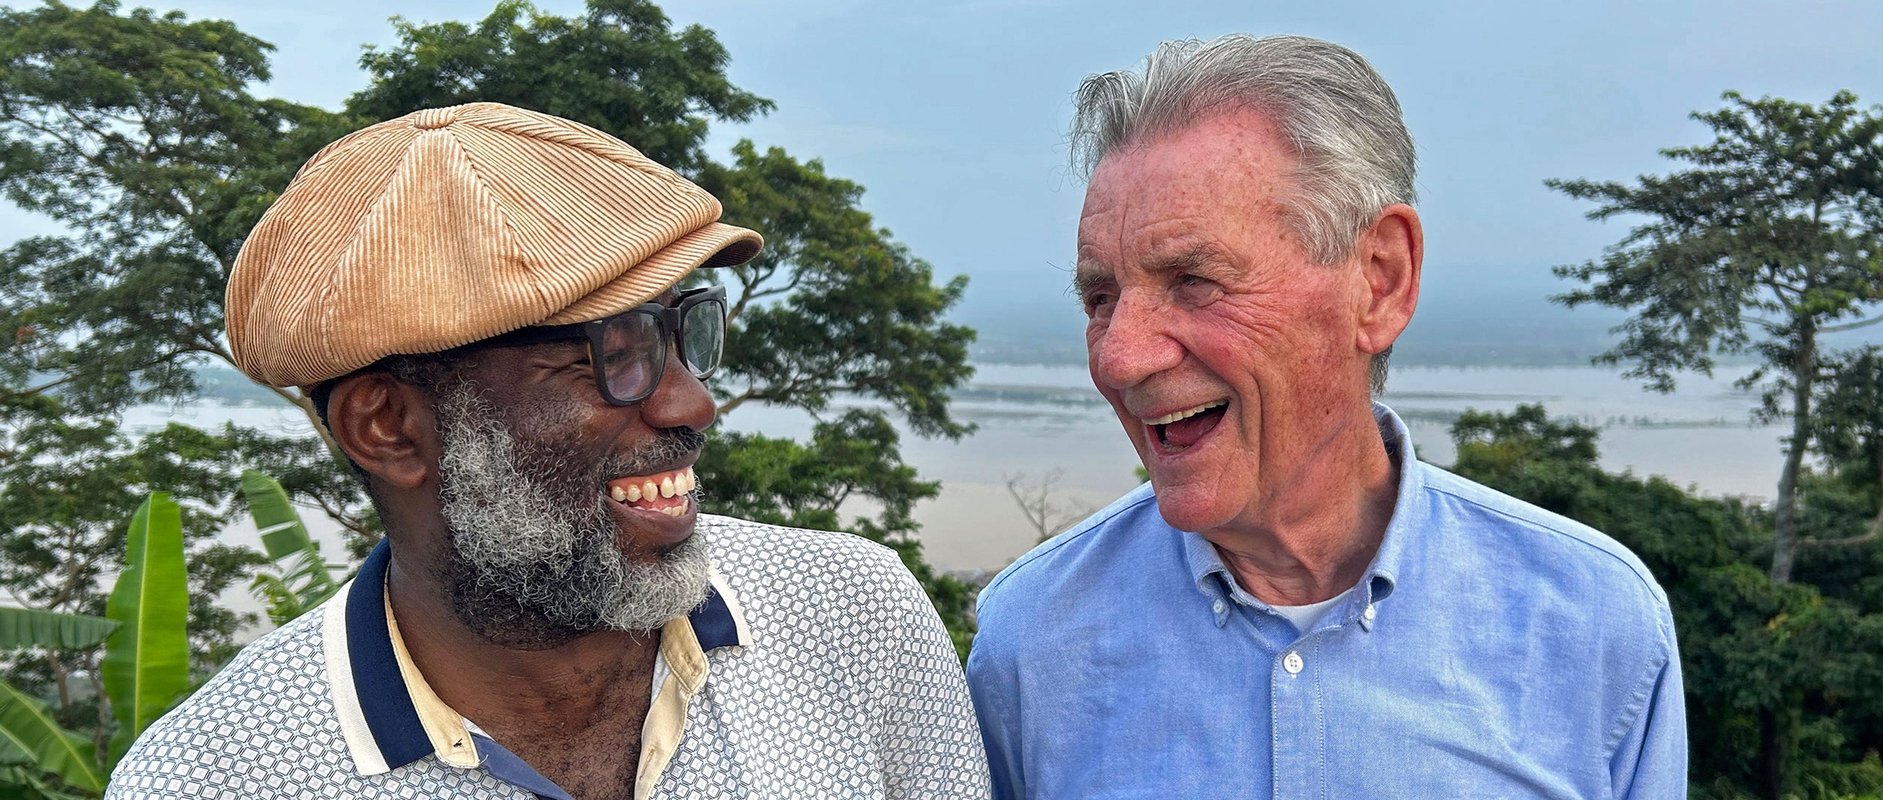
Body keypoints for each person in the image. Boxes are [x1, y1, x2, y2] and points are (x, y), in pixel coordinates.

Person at [108, 102, 988, 800]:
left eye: (684, 333)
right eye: (614, 351)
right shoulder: (210, 778)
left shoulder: (853, 620)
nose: (694, 403)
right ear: (388, 427)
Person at [966, 35, 1685, 799]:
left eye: (1193, 280)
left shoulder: (1592, 621)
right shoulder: (1032, 641)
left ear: (1379, 281)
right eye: (1100, 298)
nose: (1119, 358)